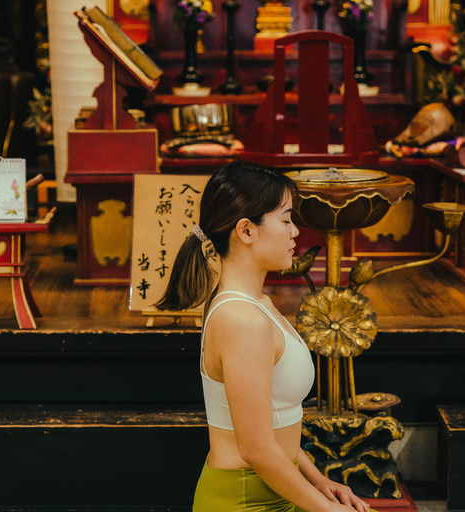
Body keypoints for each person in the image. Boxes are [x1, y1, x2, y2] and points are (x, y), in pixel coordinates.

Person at [156, 162, 370, 512]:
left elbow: (275, 428)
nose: (295, 231)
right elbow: (256, 449)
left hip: (279, 488)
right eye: (286, 220)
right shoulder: (243, 320)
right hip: (246, 500)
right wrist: (327, 509)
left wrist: (321, 483)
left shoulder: (258, 305)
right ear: (246, 230)